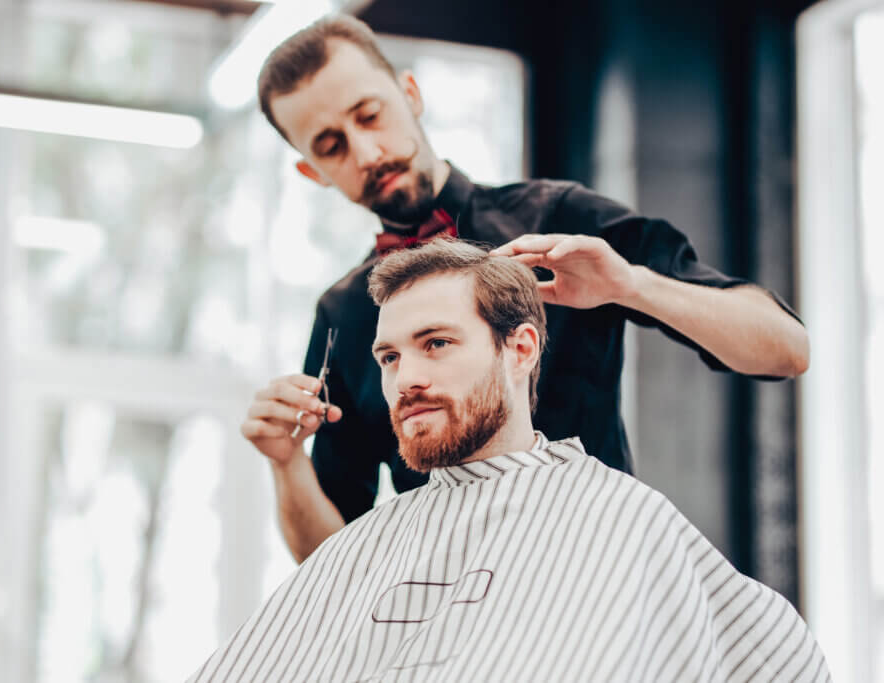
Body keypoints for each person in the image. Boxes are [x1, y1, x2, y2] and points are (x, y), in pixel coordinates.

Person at [242, 15, 810, 562]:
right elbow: (330, 559)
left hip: (601, 581)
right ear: (312, 171)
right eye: (332, 146)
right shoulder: (344, 313)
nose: (368, 153)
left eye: (370, 115)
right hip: (447, 618)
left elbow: (785, 348)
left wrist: (631, 284)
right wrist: (286, 461)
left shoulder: (559, 218)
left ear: (409, 94)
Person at [194, 240, 828, 683]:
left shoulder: (619, 520)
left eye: (436, 344)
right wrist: (286, 463)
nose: (406, 378)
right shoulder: (371, 544)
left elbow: (775, 659)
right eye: (388, 358)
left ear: (519, 347)